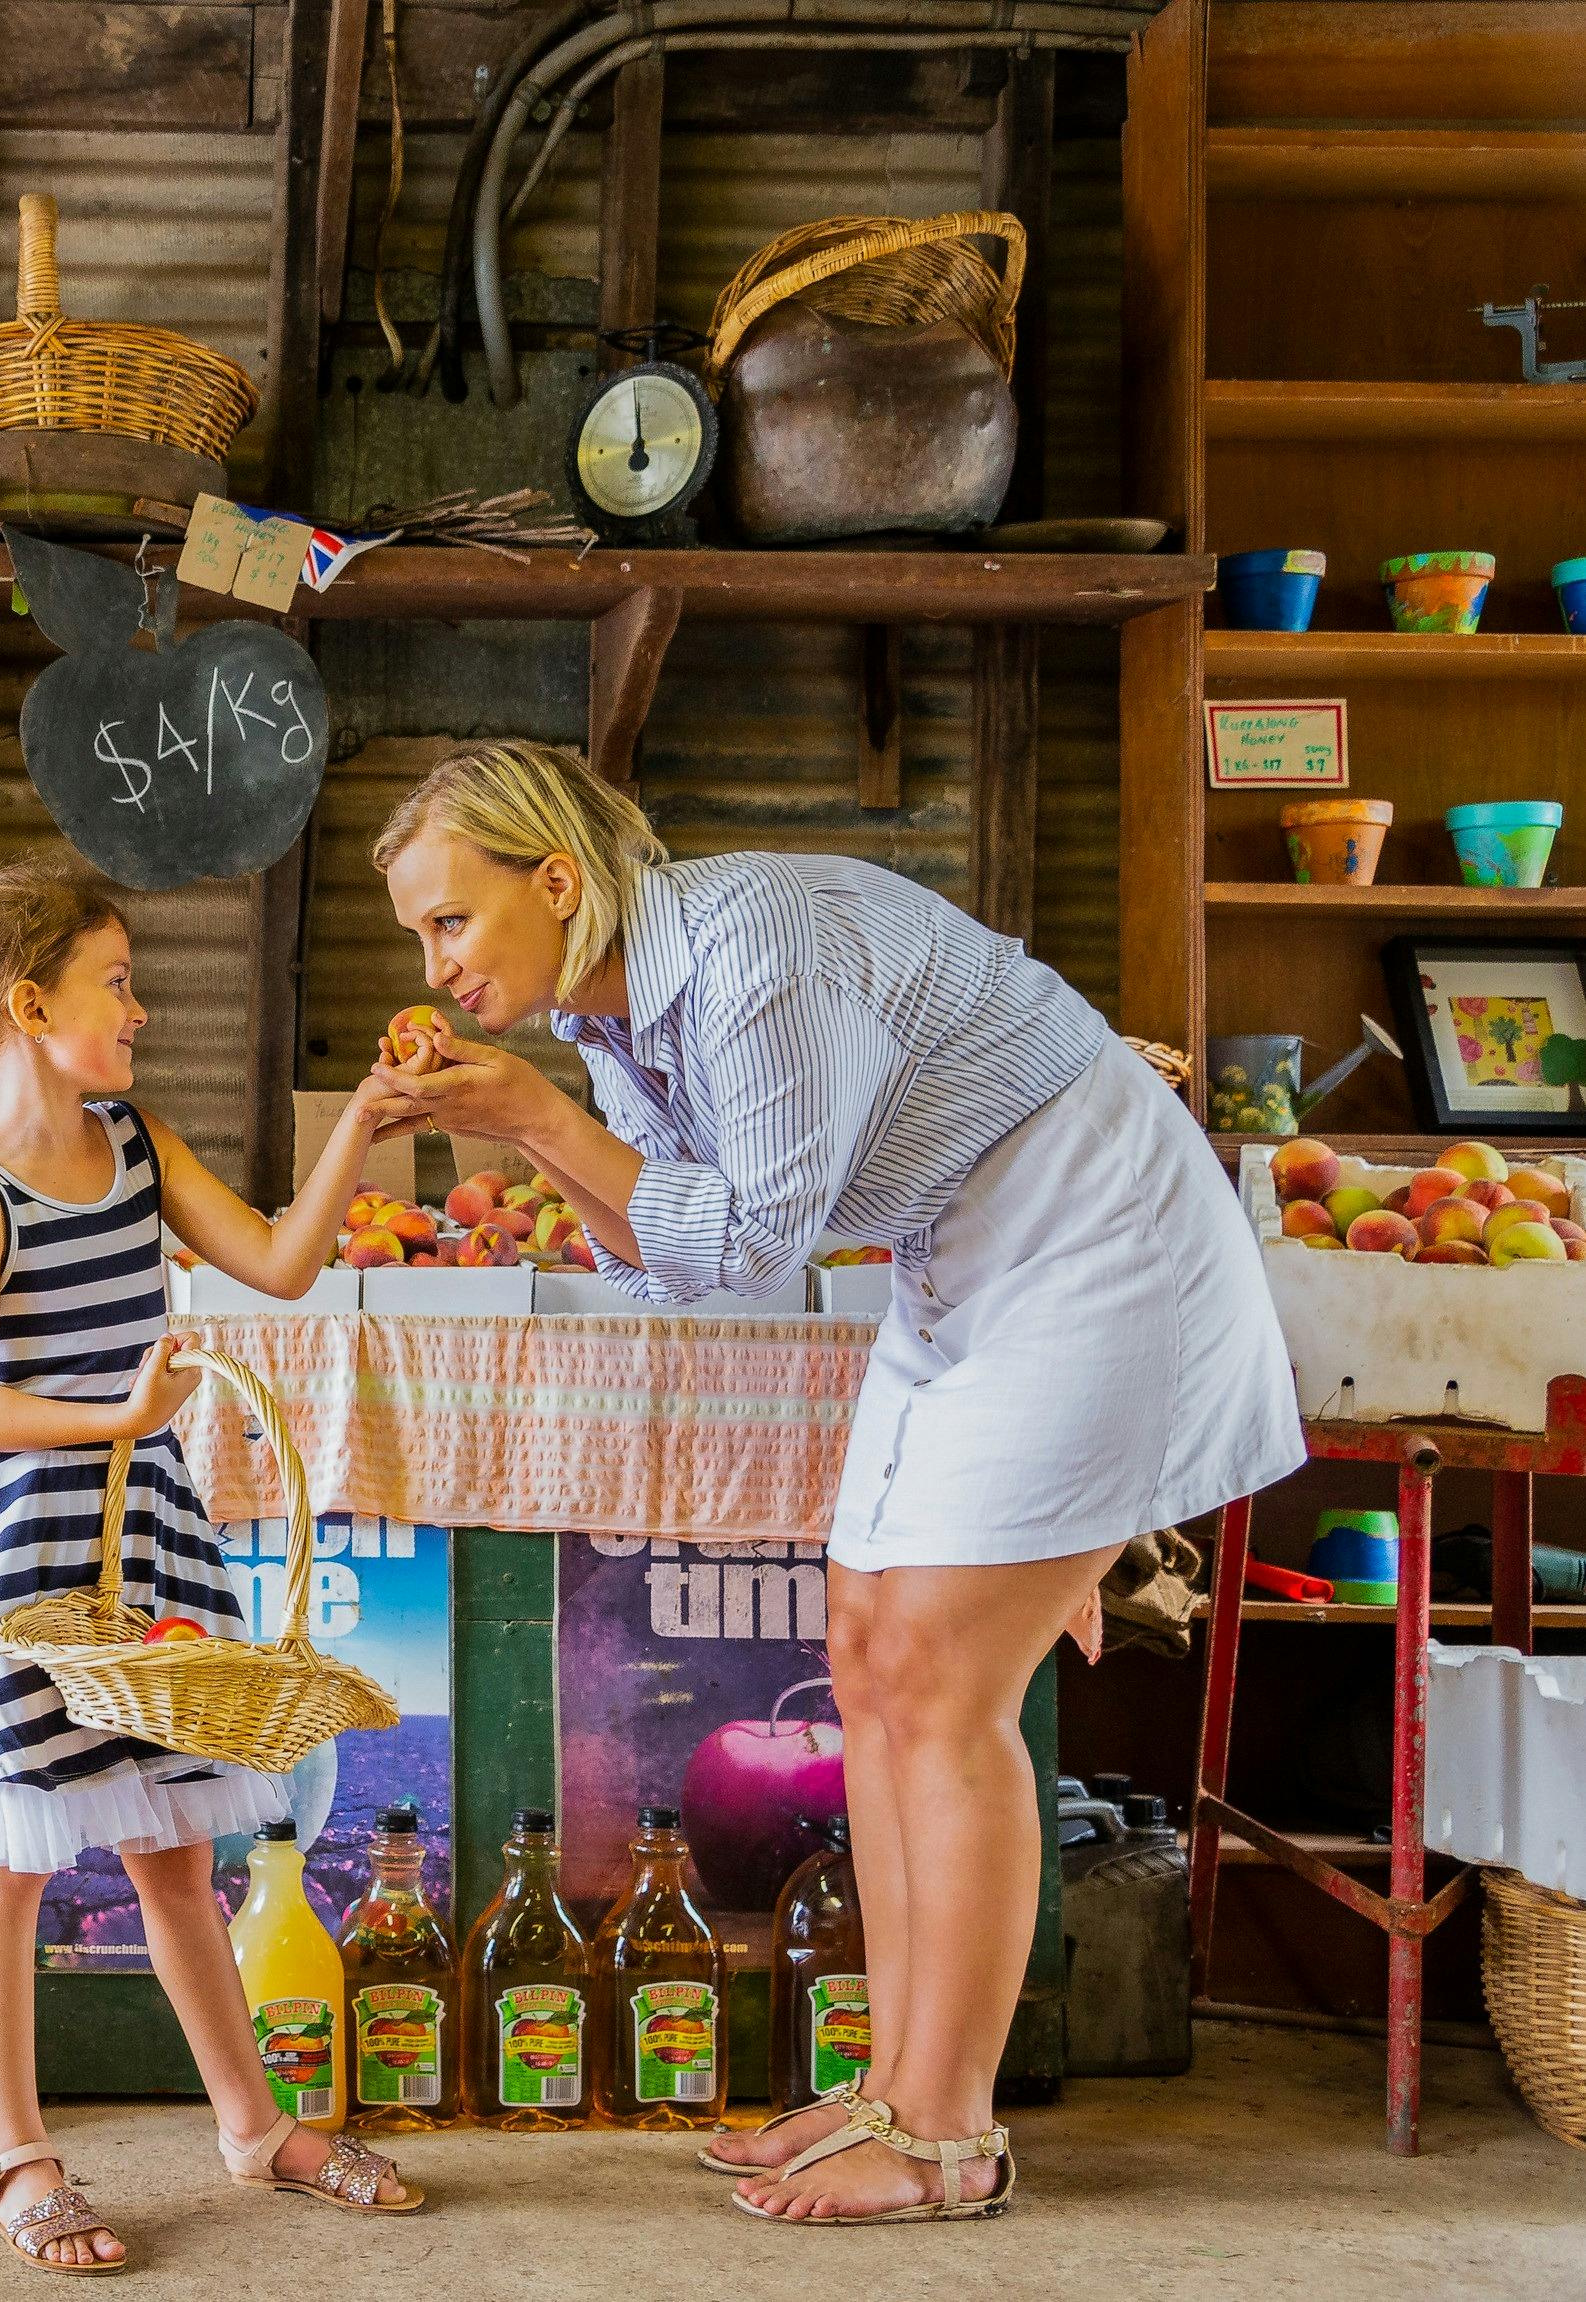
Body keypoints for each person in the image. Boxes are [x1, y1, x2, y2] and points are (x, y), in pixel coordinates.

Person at [366, 739, 1299, 2225]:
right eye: (420, 933)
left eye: (449, 919)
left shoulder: (749, 957)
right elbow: (655, 1254)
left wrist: (533, 1122)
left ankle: (945, 2132)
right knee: (865, 1655)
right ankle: (885, 2085)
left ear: (554, 882)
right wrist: (540, 1121)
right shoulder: (618, 1012)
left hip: (1092, 1236)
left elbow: (748, 1244)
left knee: (941, 1681)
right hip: (962, 1255)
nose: (433, 961)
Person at [0, 856, 430, 2275]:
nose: (139, 1009)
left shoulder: (134, 1144)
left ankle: (252, 2124)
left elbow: (283, 1262)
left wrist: (360, 1115)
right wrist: (117, 1410)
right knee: (8, 1863)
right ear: (29, 1001)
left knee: (174, 1848)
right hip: (17, 1548)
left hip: (137, 1532)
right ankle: (14, 2153)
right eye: (115, 981)